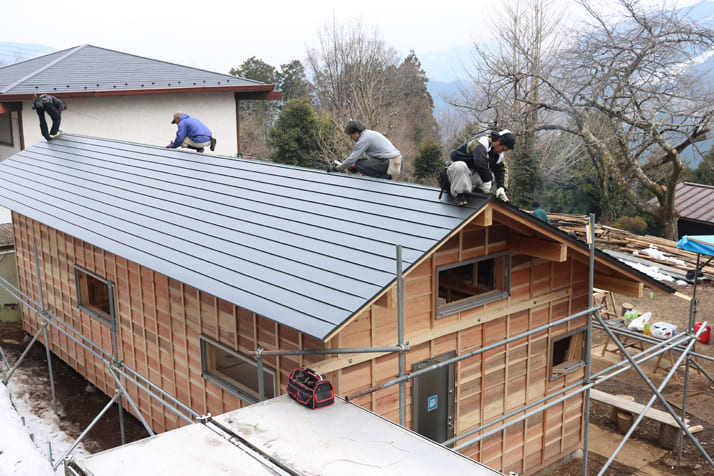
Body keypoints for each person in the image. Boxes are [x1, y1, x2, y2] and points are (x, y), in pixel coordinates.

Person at [445, 129, 515, 206]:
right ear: (499, 140)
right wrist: (487, 180)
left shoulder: (498, 153)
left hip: (471, 175)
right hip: (454, 174)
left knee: (493, 176)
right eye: (502, 149)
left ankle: (479, 194)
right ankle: (459, 195)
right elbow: (480, 161)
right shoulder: (481, 141)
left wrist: (501, 187)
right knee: (460, 166)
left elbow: (501, 170)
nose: (501, 152)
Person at [327, 121, 402, 179]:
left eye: (350, 135)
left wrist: (337, 169)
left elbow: (352, 159)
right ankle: (385, 176)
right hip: (397, 162)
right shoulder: (369, 134)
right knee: (361, 163)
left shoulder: (364, 139)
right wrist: (355, 168)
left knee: (359, 164)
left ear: (356, 133)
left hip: (392, 163)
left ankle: (384, 178)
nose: (351, 138)